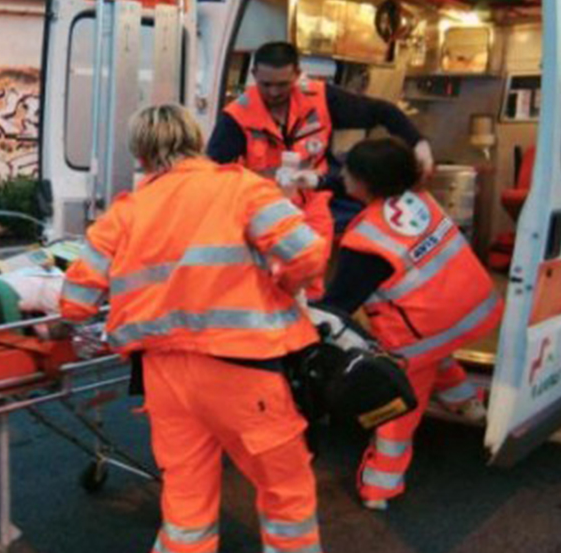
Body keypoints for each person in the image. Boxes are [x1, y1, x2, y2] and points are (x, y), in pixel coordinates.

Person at [61, 104, 328, 553]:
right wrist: (282, 285)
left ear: (141, 156)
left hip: (164, 377)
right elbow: (308, 255)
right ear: (196, 141)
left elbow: (73, 303)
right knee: (286, 489)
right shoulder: (242, 189)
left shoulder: (126, 213)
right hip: (242, 368)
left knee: (186, 501)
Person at [320, 137, 501, 511]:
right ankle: (466, 404)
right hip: (465, 312)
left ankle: (380, 488)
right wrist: (318, 182)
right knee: (438, 353)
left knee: (396, 410)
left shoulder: (366, 241)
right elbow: (354, 183)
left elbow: (337, 308)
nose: (342, 176)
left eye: (347, 170)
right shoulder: (419, 197)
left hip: (419, 338)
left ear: (365, 182)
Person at [208, 41, 434, 238]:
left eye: (282, 84)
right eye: (266, 84)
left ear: (297, 74)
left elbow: (383, 112)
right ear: (255, 74)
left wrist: (419, 144)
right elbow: (214, 175)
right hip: (266, 214)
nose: (274, 92)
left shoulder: (320, 98)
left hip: (317, 207)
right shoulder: (237, 116)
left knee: (313, 279)